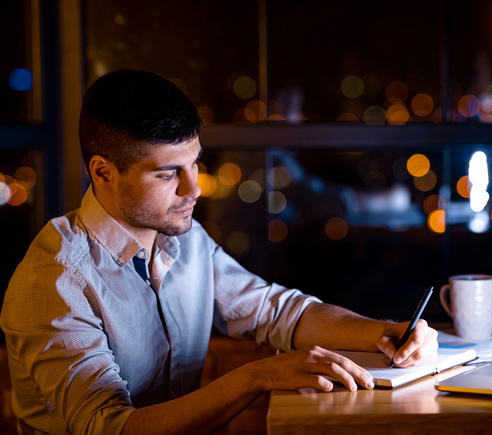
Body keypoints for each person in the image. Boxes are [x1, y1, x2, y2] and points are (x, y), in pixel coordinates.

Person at [0, 70, 438, 435]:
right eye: (169, 173)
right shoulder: (54, 280)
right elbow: (111, 428)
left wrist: (386, 333)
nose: (194, 189)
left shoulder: (184, 240)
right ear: (103, 172)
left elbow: (274, 311)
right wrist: (259, 376)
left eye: (194, 164)